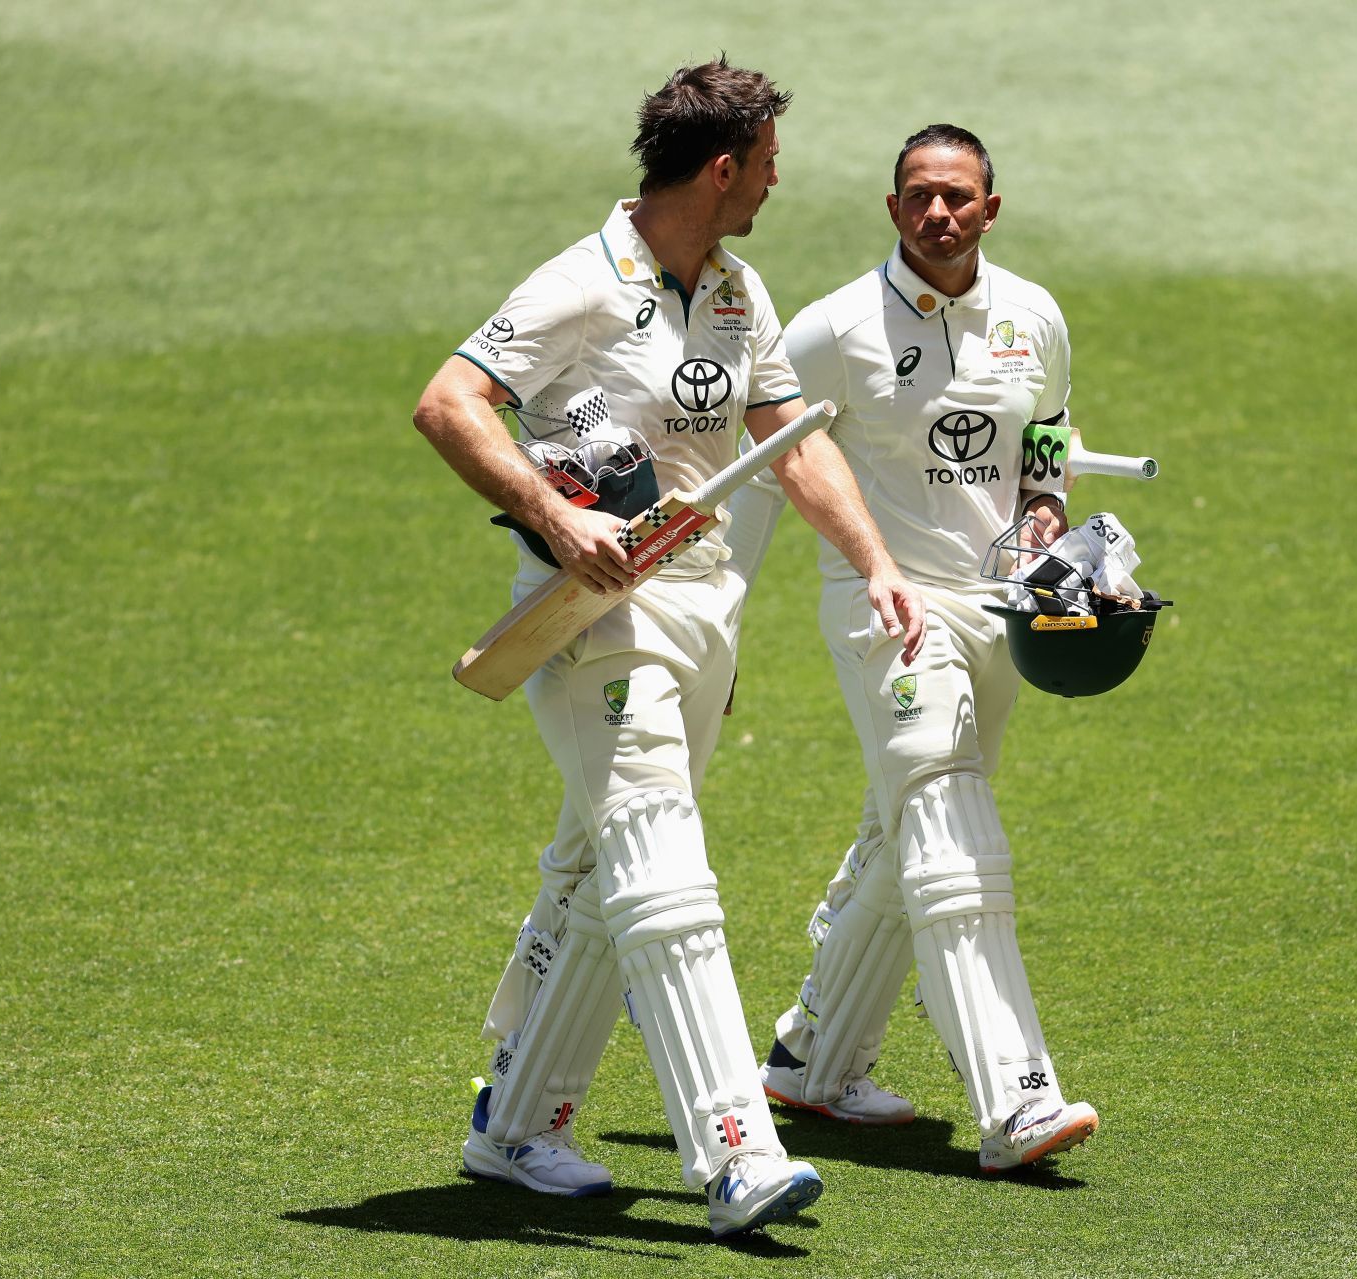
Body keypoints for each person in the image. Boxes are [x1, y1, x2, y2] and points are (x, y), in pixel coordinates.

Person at [411, 59, 923, 1238]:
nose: (778, 182)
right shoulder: (578, 283)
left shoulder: (738, 291)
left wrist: (877, 561)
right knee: (664, 868)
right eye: (770, 163)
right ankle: (734, 1147)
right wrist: (557, 511)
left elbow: (792, 445)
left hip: (703, 612)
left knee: (607, 880)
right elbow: (450, 401)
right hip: (593, 617)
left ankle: (518, 1126)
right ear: (724, 165)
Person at [723, 124, 1099, 1173]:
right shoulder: (832, 328)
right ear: (894, 210)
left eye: (958, 197)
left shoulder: (1036, 317)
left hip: (997, 611)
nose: (939, 212)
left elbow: (1050, 443)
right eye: (920, 196)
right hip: (882, 602)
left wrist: (1042, 528)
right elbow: (763, 472)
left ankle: (813, 1059)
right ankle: (1017, 1096)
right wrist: (721, 628)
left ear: (991, 207)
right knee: (949, 825)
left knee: (909, 830)